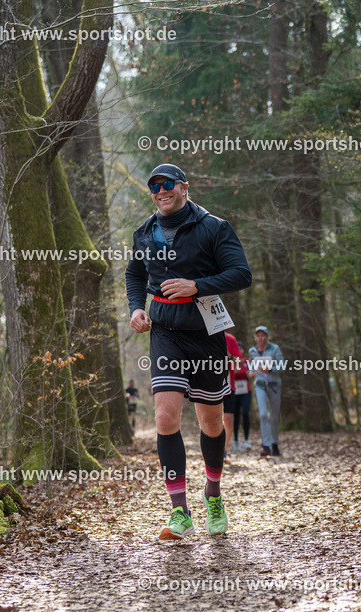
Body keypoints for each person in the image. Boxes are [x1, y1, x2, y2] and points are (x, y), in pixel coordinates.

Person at [126, 163, 252, 540]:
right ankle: (179, 510)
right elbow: (134, 274)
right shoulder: (144, 231)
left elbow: (241, 273)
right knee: (165, 417)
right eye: (154, 187)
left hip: (205, 332)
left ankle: (213, 494)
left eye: (167, 185)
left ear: (184, 187)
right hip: (165, 331)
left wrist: (197, 285)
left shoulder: (214, 226)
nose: (160, 191)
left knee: (212, 422)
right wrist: (136, 307)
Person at [250, 325, 284, 456]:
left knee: (274, 416)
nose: (261, 338)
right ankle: (266, 445)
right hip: (260, 385)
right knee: (263, 414)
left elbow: (282, 365)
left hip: (274, 385)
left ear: (267, 337)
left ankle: (274, 444)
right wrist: (251, 372)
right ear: (255, 337)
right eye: (258, 336)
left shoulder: (274, 349)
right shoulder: (252, 351)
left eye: (263, 335)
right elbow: (252, 366)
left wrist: (270, 369)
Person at [220, 332, 245, 462]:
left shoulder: (230, 339)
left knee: (228, 419)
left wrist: (229, 356)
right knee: (209, 418)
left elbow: (240, 362)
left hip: (229, 385)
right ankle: (211, 451)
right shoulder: (203, 334)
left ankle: (223, 451)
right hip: (208, 384)